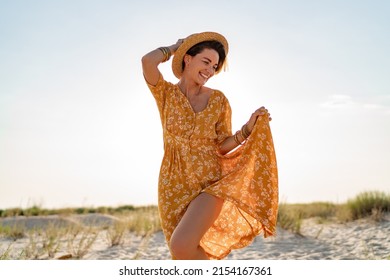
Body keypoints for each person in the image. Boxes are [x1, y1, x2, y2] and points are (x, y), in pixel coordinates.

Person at [141, 31, 278, 260]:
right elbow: (147, 61)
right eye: (206, 62)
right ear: (188, 59)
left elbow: (221, 146)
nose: (210, 70)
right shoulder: (166, 95)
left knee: (181, 246)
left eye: (214, 66)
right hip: (172, 183)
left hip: (210, 183)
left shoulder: (218, 100)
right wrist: (176, 47)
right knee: (184, 254)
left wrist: (246, 130)